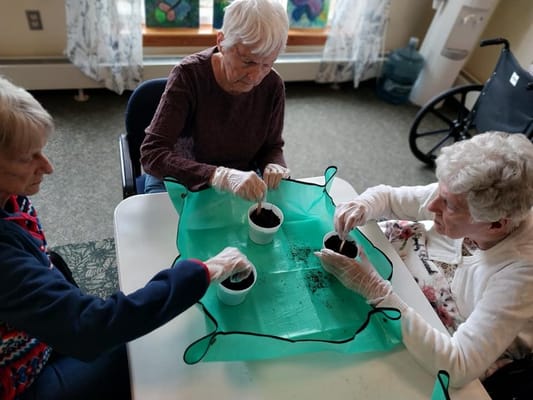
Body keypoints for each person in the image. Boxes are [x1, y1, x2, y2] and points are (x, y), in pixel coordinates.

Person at [0, 76, 254, 399]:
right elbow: (92, 328)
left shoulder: (9, 196)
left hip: (36, 331)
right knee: (141, 354)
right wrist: (206, 271)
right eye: (27, 158)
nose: (48, 167)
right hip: (20, 381)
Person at [315, 131, 533, 396]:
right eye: (439, 190)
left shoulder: (521, 274)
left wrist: (374, 288)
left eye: (449, 206)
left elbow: (458, 365)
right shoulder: (466, 193)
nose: (431, 206)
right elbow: (389, 198)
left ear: (497, 223)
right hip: (421, 281)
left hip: (460, 329)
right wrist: (363, 204)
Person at [140, 0, 290, 201]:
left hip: (240, 177)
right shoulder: (188, 76)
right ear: (222, 42)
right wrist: (218, 175)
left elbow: (272, 147)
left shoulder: (273, 86)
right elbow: (152, 155)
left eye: (267, 64)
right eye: (248, 62)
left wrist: (274, 165)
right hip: (179, 175)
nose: (255, 77)